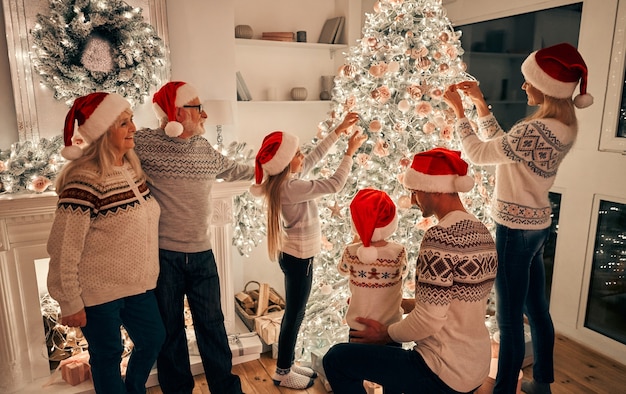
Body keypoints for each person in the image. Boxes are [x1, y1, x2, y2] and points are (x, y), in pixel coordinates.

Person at [443, 42, 593, 394]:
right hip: (537, 227)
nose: (523, 86)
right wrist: (481, 104)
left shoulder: (534, 130)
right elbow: (504, 148)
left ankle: (503, 389)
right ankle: (541, 383)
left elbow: (480, 154)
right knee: (537, 310)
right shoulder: (562, 126)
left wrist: (459, 113)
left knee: (509, 321)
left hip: (514, 231)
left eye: (529, 81)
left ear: (546, 88)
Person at [323, 147, 498, 394]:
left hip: (442, 369)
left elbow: (429, 319)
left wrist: (385, 334)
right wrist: (402, 304)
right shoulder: (481, 231)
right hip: (476, 365)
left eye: (415, 191)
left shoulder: (441, 237)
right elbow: (454, 303)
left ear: (435, 188)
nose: (414, 200)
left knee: (337, 358)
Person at [134, 81, 254, 394]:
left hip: (203, 255)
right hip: (164, 256)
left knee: (213, 327)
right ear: (175, 112)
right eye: (196, 107)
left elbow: (235, 169)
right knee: (169, 332)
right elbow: (111, 144)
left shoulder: (203, 148)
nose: (204, 114)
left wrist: (273, 167)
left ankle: (226, 390)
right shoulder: (144, 143)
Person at [47, 92, 165, 394]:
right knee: (107, 356)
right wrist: (69, 300)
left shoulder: (131, 171)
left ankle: (134, 388)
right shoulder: (83, 180)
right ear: (102, 133)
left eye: (131, 121)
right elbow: (64, 247)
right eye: (124, 123)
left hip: (138, 286)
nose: (133, 128)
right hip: (97, 293)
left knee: (154, 339)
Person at [251, 112, 366, 389]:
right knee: (294, 313)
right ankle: (282, 371)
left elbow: (315, 156)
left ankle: (287, 364)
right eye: (298, 153)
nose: (303, 156)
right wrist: (349, 153)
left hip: (293, 256)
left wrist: (338, 131)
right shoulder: (291, 187)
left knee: (295, 311)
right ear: (287, 162)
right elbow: (335, 185)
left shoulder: (284, 181)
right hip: (299, 257)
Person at [338, 188, 408, 343]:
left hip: (357, 328)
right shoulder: (398, 252)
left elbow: (342, 270)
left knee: (357, 366)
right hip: (390, 330)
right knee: (388, 366)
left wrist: (357, 242)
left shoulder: (351, 252)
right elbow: (404, 271)